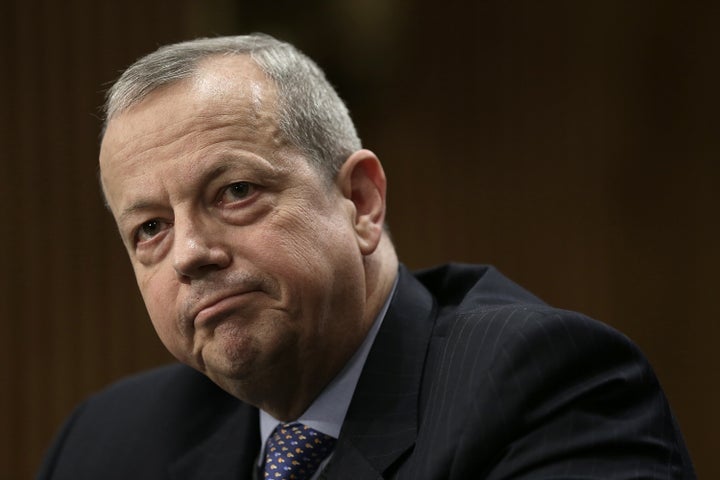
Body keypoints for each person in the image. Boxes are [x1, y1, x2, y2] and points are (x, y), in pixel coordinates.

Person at [37, 34, 695, 479]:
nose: (189, 254)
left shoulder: (547, 388)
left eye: (235, 192)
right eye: (150, 228)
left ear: (359, 202)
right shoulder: (106, 445)